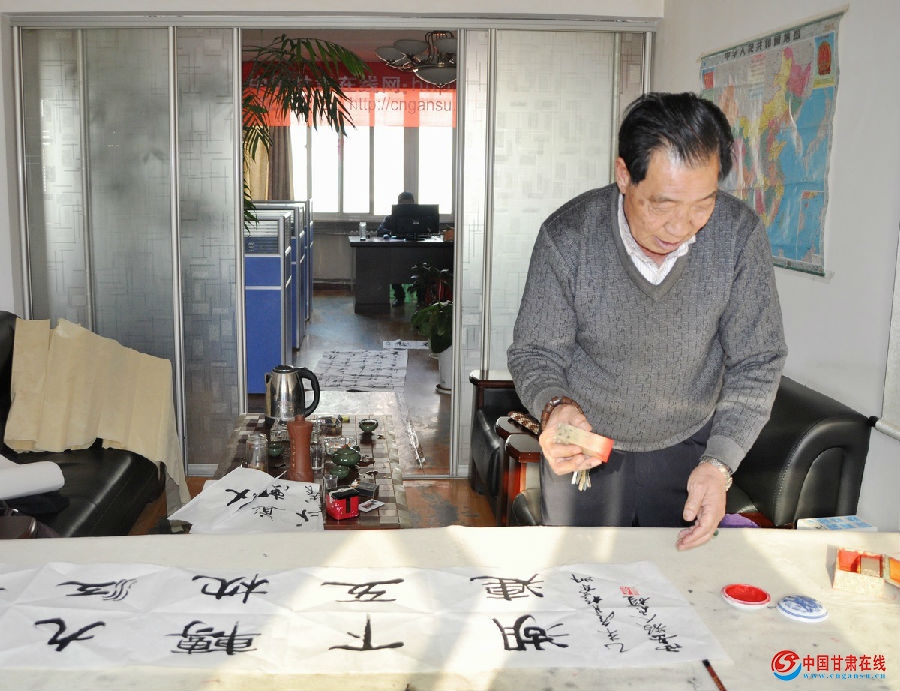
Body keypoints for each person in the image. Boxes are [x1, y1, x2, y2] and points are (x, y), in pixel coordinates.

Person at [507, 92, 787, 550]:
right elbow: (535, 352)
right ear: (624, 175)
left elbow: (758, 360)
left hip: (691, 450)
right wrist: (555, 405)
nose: (681, 227)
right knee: (580, 579)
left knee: (679, 584)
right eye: (662, 205)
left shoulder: (738, 235)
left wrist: (720, 463)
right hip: (585, 447)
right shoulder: (569, 236)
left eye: (703, 204)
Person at [379, 191, 416, 306]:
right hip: (397, 251)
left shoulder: (419, 217)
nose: (405, 208)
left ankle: (422, 298)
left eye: (408, 204)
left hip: (416, 249)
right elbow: (380, 230)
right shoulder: (391, 218)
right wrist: (393, 232)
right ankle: (399, 296)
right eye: (402, 204)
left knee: (420, 269)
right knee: (394, 269)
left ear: (413, 204)